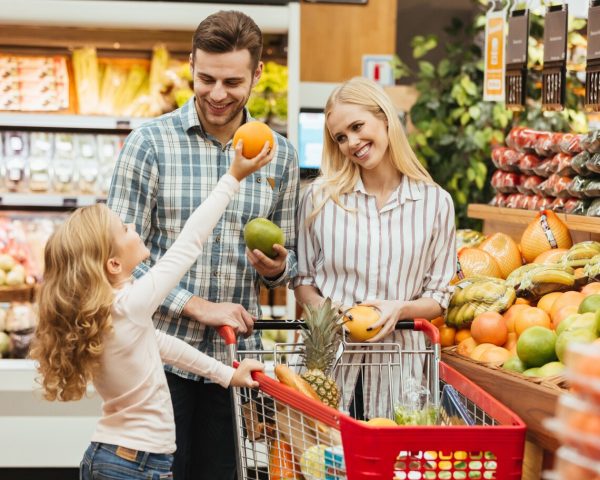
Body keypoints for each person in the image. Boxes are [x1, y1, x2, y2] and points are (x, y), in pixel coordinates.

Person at [107, 9, 299, 480]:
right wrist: (193, 304)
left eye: (232, 82)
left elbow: (288, 261)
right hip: (151, 359)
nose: (216, 94)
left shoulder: (281, 155)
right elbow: (110, 263)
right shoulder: (149, 144)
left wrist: (275, 268)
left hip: (228, 364)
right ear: (191, 63)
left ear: (256, 74)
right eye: (206, 77)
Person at [30, 139, 271, 479]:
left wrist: (227, 375)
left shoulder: (111, 312)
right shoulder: (129, 306)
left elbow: (164, 347)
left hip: (115, 457)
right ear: (114, 263)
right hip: (133, 465)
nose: (134, 227)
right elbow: (190, 243)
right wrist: (232, 176)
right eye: (124, 229)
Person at [293, 76, 456, 419]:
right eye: (340, 137)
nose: (352, 142)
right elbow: (303, 280)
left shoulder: (435, 203)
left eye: (357, 126)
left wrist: (399, 309)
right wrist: (329, 312)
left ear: (384, 117)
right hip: (330, 367)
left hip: (402, 372)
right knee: (324, 467)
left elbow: (439, 297)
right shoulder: (320, 199)